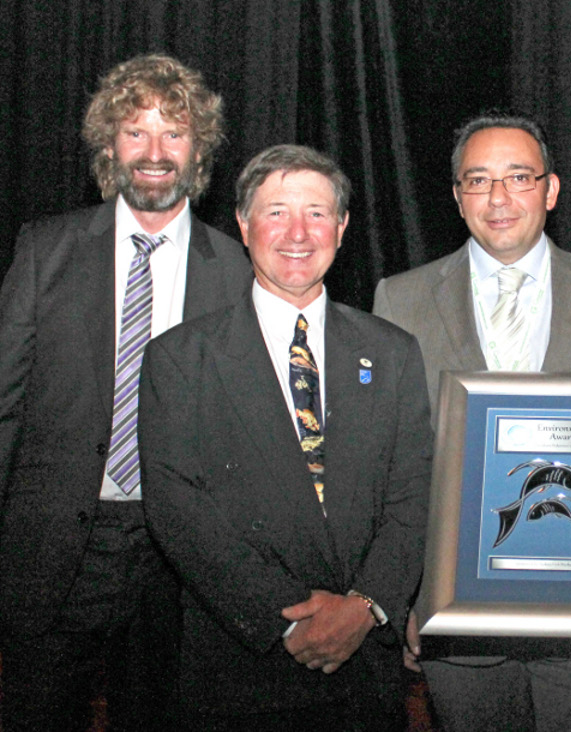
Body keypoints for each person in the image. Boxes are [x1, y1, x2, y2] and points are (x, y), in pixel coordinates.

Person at [374, 112, 571, 732]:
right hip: (456, 621)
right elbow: (390, 468)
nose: (498, 198)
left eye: (518, 177)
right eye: (478, 181)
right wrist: (404, 600)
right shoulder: (400, 299)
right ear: (456, 197)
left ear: (550, 190)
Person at [138, 144, 432, 730]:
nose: (298, 232)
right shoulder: (179, 358)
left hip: (364, 673)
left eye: (318, 213)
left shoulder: (393, 351)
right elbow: (179, 512)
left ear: (343, 227)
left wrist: (367, 607)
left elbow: (413, 495)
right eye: (276, 212)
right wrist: (290, 623)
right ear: (243, 225)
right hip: (243, 668)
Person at [0, 54, 250, 731]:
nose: (154, 152)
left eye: (174, 132)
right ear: (109, 145)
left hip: (180, 562)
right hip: (51, 554)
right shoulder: (44, 251)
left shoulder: (238, 273)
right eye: (135, 132)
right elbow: (4, 404)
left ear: (199, 149)